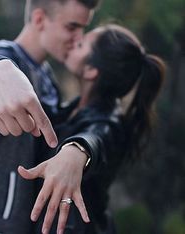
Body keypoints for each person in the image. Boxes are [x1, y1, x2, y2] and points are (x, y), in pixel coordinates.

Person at [0, 0, 100, 233]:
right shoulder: (5, 58)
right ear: (39, 20)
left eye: (82, 29)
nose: (78, 38)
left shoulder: (46, 75)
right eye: (72, 27)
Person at [18, 24, 166, 234]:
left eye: (80, 44)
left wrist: (77, 151)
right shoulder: (70, 109)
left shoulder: (110, 124)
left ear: (90, 71)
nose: (72, 41)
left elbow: (96, 138)